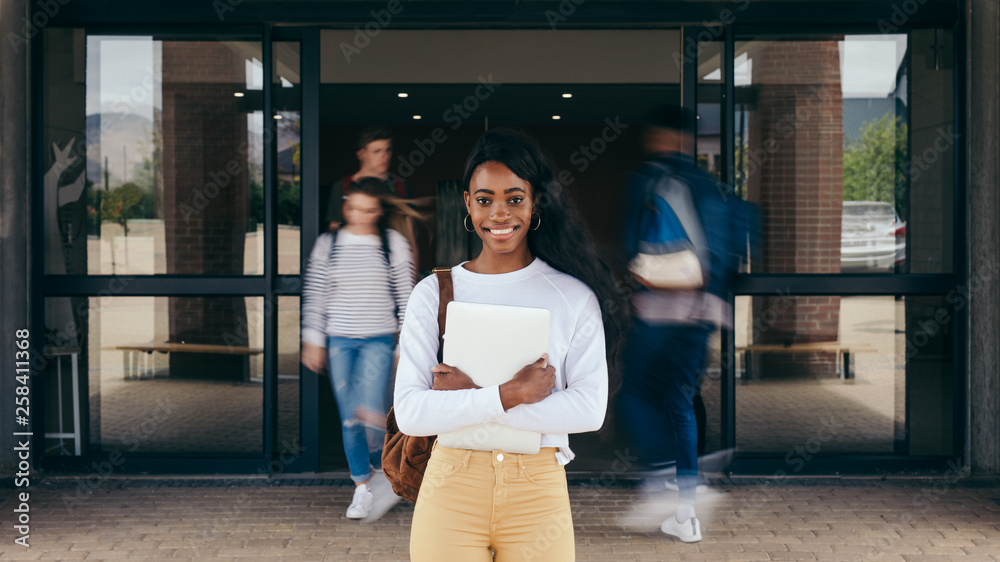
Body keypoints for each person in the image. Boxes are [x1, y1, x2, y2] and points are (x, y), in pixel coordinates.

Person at [393, 129, 627, 561]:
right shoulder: (434, 292)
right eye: (485, 199)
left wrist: (469, 400)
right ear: (467, 203)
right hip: (451, 488)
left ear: (536, 201)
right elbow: (411, 412)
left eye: (514, 198)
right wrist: (511, 394)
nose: (499, 213)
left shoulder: (573, 295)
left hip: (537, 492)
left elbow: (589, 410)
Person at [617, 104, 752, 543]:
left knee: (633, 395)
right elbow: (735, 245)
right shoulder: (712, 184)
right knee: (680, 400)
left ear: (658, 137)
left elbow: (628, 242)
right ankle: (687, 508)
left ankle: (661, 479)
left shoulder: (650, 176)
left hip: (659, 308)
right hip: (704, 311)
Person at [301, 178, 415, 520]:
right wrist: (312, 339)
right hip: (338, 341)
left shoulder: (392, 243)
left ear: (379, 211)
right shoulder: (328, 244)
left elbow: (406, 296)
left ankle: (385, 473)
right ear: (346, 206)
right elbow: (315, 293)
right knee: (350, 416)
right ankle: (362, 488)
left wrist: (402, 346)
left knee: (368, 409)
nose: (360, 215)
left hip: (378, 340)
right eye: (354, 208)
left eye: (368, 210)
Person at [324, 126, 408, 232]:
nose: (385, 156)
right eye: (377, 151)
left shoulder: (399, 185)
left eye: (388, 150)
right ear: (361, 154)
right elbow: (334, 229)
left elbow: (409, 227)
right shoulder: (343, 186)